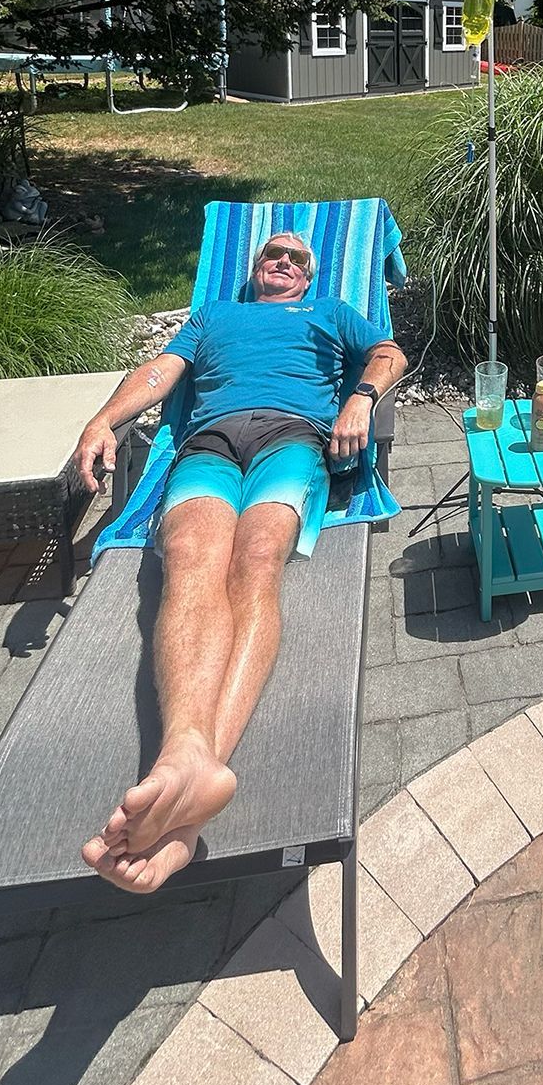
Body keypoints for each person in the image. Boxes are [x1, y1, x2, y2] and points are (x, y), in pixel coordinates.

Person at [70, 231, 406, 892]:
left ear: (308, 277)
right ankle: (189, 771)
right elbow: (161, 372)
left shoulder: (331, 310)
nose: (283, 262)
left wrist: (360, 398)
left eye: (296, 259)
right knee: (192, 556)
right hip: (210, 442)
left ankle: (182, 795)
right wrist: (102, 420)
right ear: (252, 271)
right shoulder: (215, 315)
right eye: (271, 256)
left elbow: (389, 352)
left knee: (255, 558)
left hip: (293, 436)